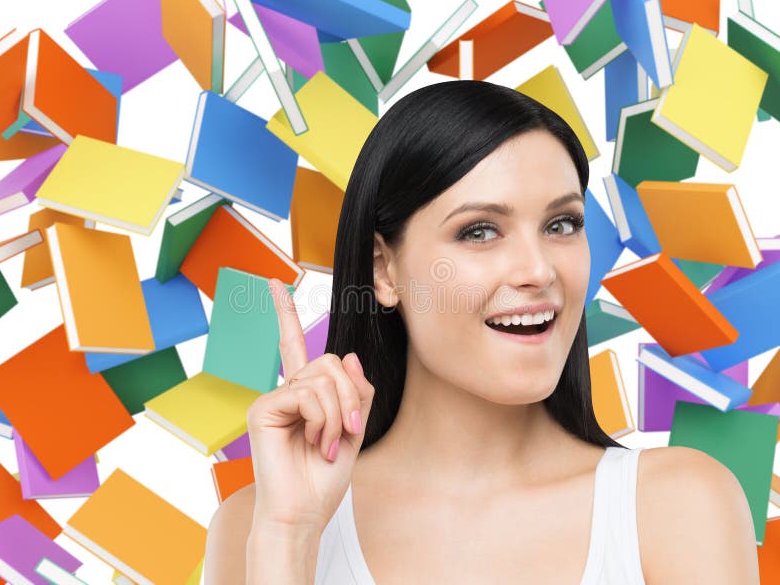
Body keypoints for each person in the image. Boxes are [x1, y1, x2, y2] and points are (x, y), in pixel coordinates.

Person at [204, 80, 758, 584]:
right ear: (383, 270)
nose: (538, 270)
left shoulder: (676, 504)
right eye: (479, 231)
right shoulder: (257, 526)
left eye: (561, 224)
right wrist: (290, 536)